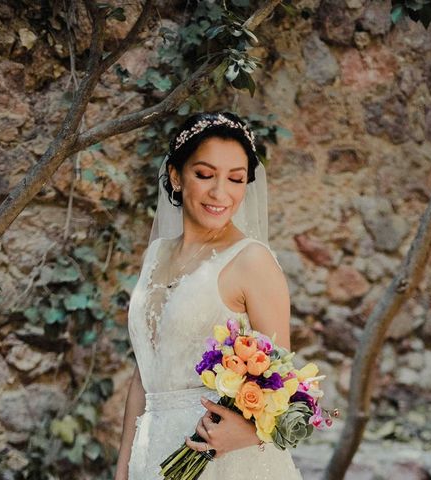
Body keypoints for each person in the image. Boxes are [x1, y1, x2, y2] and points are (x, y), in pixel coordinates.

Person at [114, 112, 303, 480]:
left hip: (224, 461)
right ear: (175, 176)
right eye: (205, 175)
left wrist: (246, 432)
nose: (221, 193)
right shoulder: (156, 255)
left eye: (235, 179)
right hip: (150, 454)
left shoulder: (252, 262)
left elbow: (285, 385)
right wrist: (123, 469)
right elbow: (145, 374)